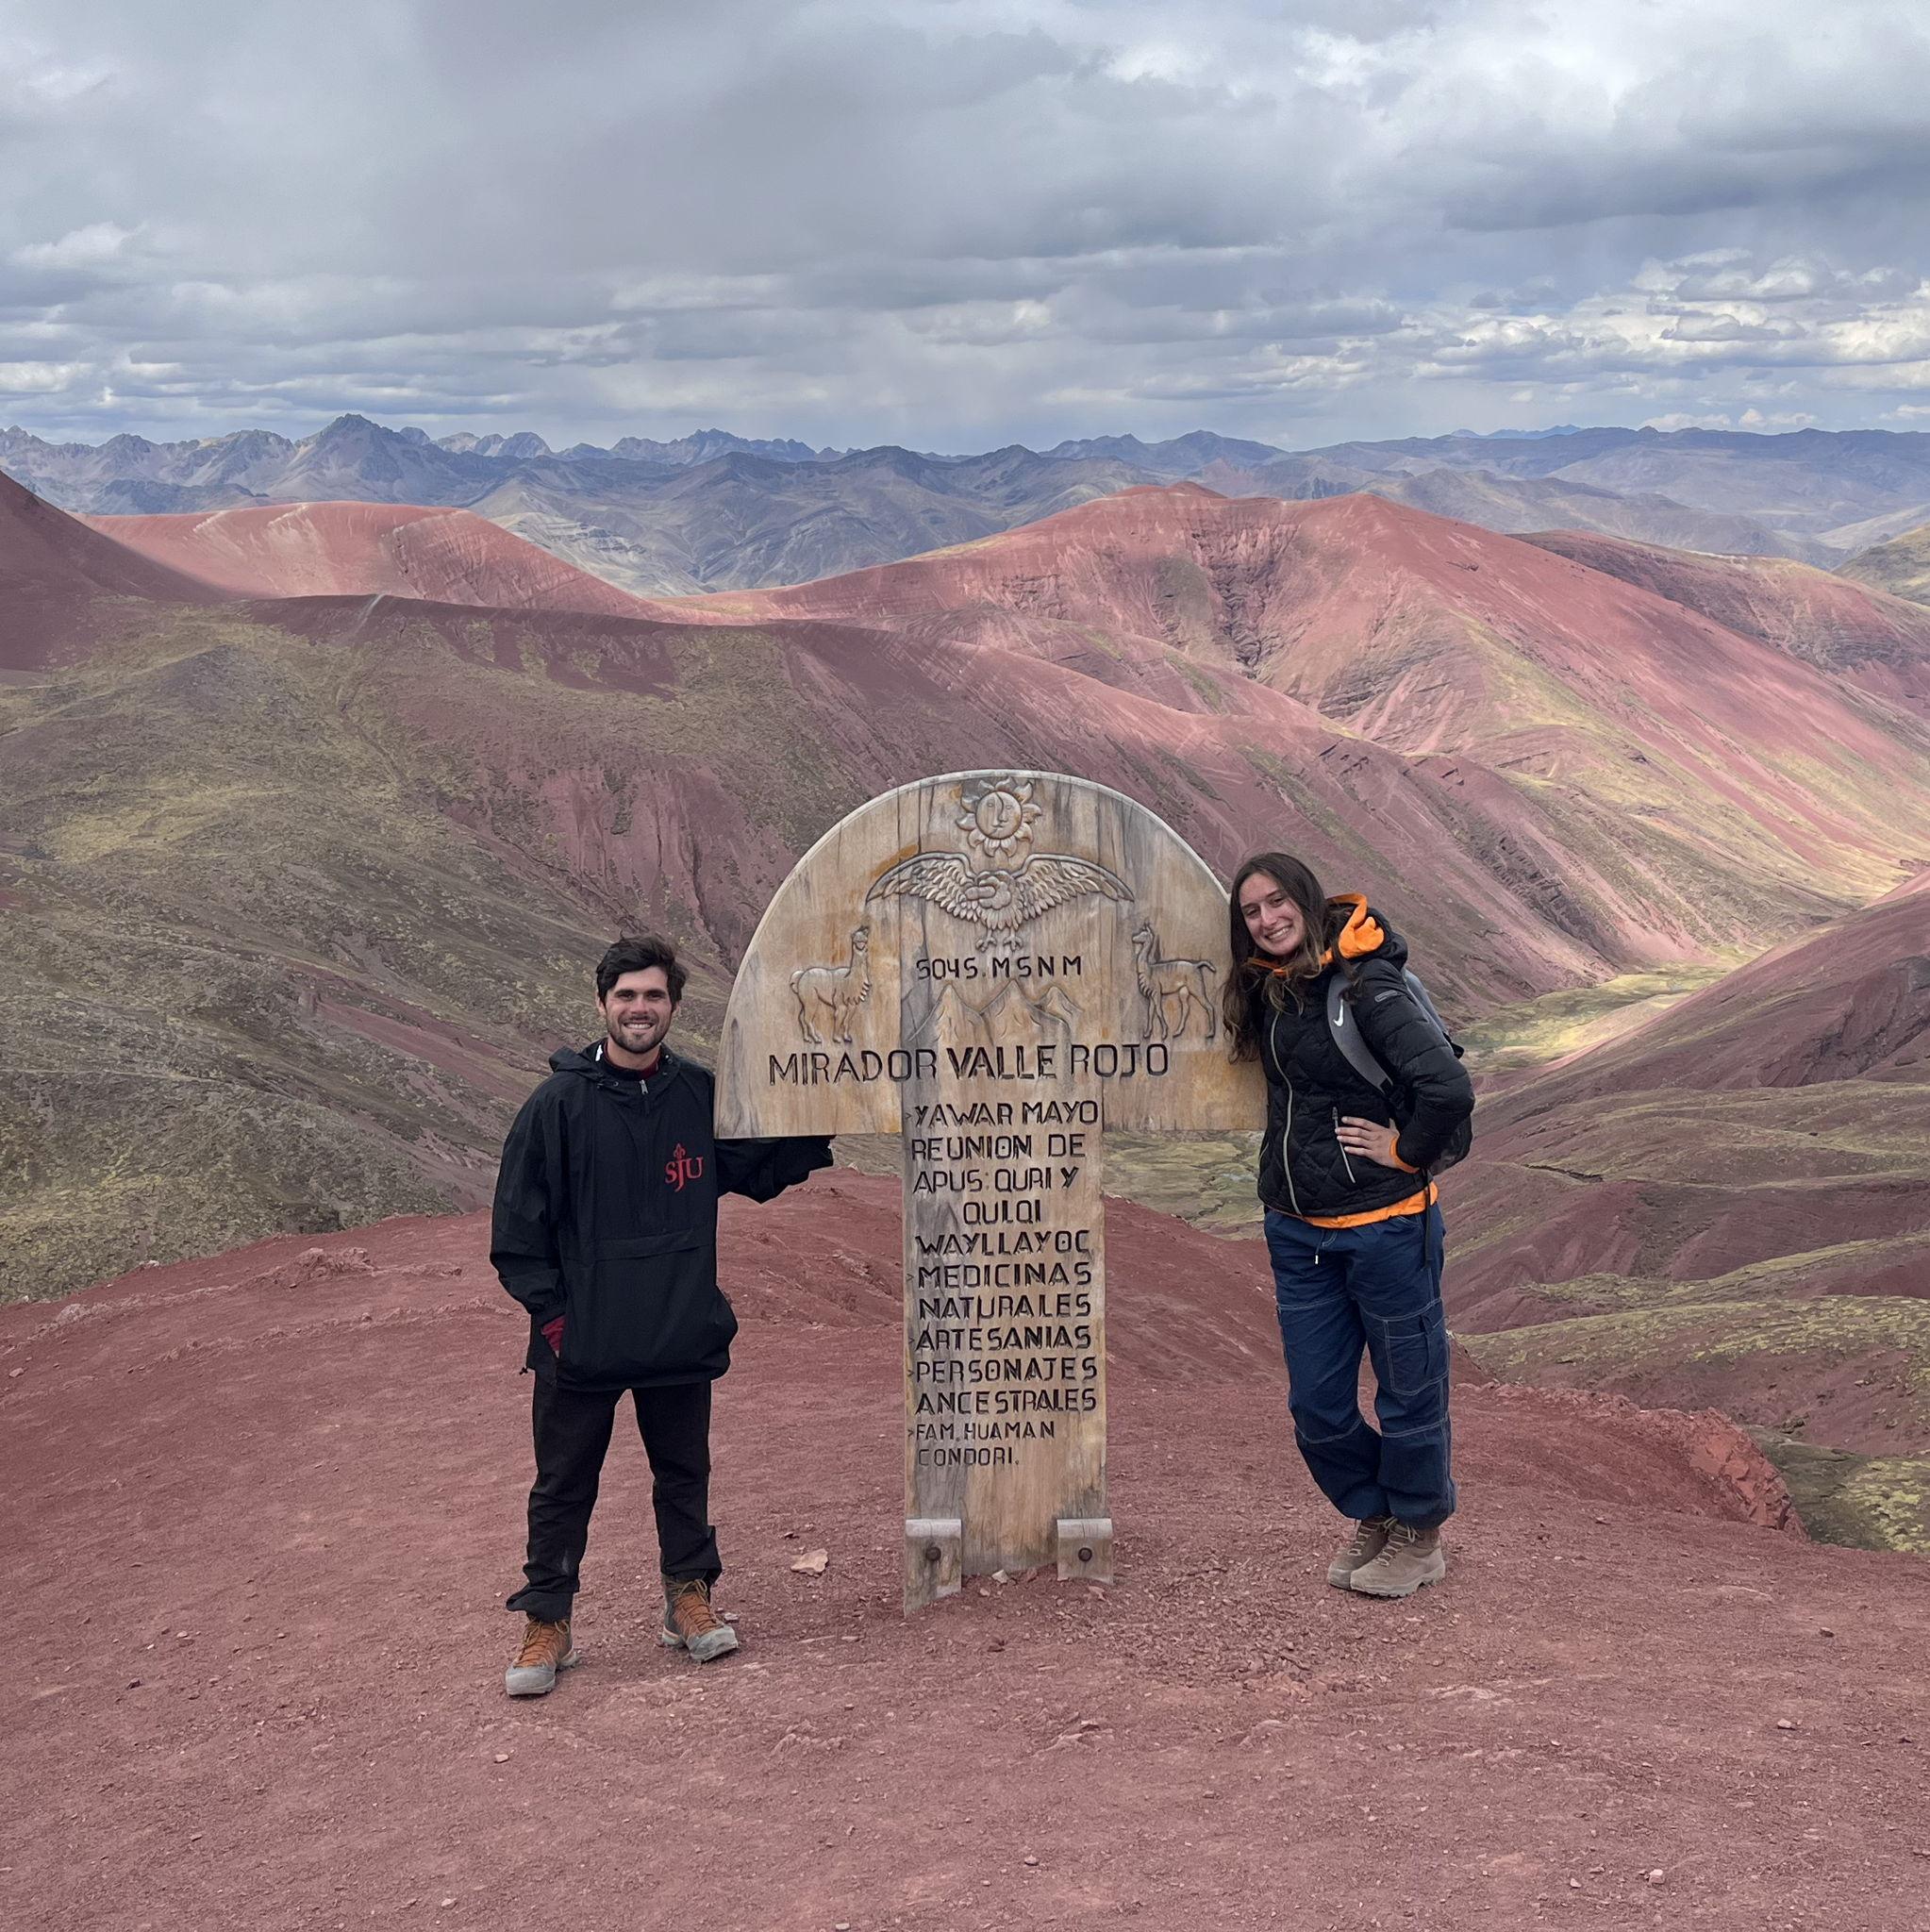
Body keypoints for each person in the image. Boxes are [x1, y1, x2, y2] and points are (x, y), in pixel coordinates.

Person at [491, 935, 832, 1696]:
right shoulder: (556, 1107)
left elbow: (762, 1166)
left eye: (653, 996)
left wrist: (831, 1099)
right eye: (625, 995)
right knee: (562, 1484)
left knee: (683, 1473)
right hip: (582, 1344)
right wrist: (557, 1325)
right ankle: (547, 1622)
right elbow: (517, 1235)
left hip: (679, 1331)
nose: (639, 1008)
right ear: (602, 1004)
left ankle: (688, 1598)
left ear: (673, 1007)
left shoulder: (698, 1098)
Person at [1225, 854, 1475, 1598]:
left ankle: (1418, 1532)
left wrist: (1404, 1151)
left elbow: (1446, 1087)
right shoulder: (1270, 990)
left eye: (1277, 903)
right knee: (1318, 1404)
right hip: (1299, 1233)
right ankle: (1374, 1511)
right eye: (1250, 912)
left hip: (1387, 1228)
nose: (1267, 920)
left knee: (1408, 1390)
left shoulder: (1365, 987)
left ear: (1303, 900)